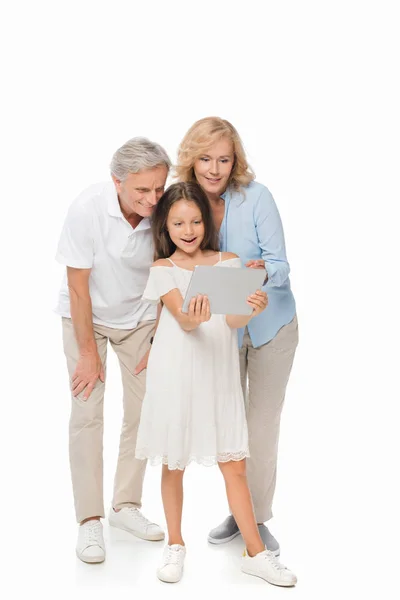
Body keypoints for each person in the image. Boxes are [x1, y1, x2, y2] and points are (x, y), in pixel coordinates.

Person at [135, 181, 297, 587]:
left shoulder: (229, 262)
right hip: (176, 374)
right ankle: (175, 544)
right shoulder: (162, 269)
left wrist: (251, 307)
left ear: (205, 223)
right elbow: (186, 321)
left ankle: (256, 553)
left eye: (194, 221)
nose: (188, 230)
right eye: (177, 223)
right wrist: (195, 312)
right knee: (174, 465)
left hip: (218, 375)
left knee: (235, 466)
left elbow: (234, 322)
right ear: (165, 227)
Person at [176, 117, 299, 557]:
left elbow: (281, 264)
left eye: (224, 159)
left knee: (260, 428)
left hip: (270, 329)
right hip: (220, 333)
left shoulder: (257, 197)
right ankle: (240, 511)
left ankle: (258, 519)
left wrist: (261, 271)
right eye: (205, 158)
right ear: (191, 160)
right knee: (230, 428)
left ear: (235, 161)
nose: (214, 168)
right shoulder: (183, 203)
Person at [55, 137, 170, 563]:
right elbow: (77, 288)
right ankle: (89, 522)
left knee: (144, 412)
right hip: (87, 317)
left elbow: (171, 273)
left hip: (140, 318)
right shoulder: (87, 209)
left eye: (159, 188)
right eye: (142, 190)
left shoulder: (162, 208)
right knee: (87, 413)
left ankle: (125, 506)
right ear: (116, 182)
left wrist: (158, 337)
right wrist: (87, 353)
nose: (152, 199)